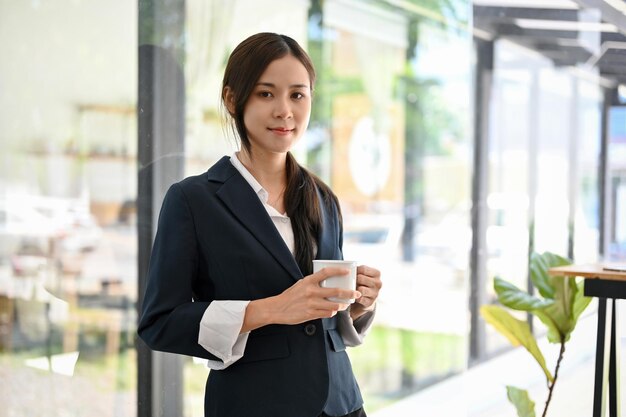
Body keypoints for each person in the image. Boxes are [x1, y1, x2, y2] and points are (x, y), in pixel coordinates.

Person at [138, 32, 382, 417]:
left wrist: (357, 306)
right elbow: (160, 323)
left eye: (297, 95)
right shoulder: (193, 200)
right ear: (233, 99)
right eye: (266, 94)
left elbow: (326, 324)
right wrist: (271, 309)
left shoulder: (323, 198)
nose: (285, 110)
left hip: (341, 404)